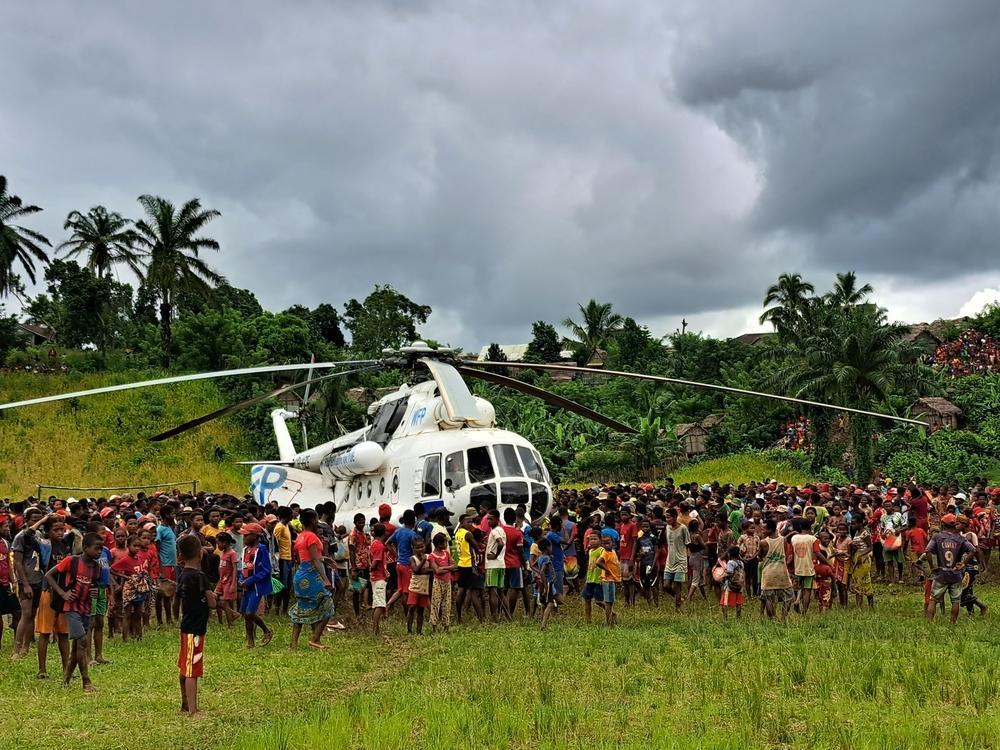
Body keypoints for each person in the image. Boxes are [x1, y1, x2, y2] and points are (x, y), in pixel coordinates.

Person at [44, 532, 102, 692]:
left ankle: (66, 680)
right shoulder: (72, 561)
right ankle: (86, 681)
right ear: (85, 547)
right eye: (96, 548)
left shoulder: (96, 567)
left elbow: (93, 586)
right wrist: (63, 593)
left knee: (78, 646)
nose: (99, 552)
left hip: (86, 608)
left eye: (101, 549)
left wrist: (94, 591)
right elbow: (49, 575)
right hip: (71, 608)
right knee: (83, 641)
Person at [176, 533, 216, 716]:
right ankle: (193, 709)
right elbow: (212, 603)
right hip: (197, 628)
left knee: (185, 665)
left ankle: (185, 703)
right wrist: (213, 596)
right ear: (200, 553)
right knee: (192, 669)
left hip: (186, 625)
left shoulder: (183, 575)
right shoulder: (200, 577)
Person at [289, 509, 334, 650]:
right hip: (312, 575)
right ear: (313, 520)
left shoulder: (301, 537)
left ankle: (293, 644)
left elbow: (306, 557)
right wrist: (325, 579)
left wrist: (323, 558)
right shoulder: (312, 537)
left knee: (302, 608)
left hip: (300, 574)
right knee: (328, 606)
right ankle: (315, 639)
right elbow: (314, 559)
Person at [921, 513, 977, 624]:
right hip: (956, 574)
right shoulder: (960, 539)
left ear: (943, 524)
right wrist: (963, 563)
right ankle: (952, 623)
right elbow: (973, 550)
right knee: (955, 600)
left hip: (941, 573)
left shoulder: (937, 537)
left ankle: (929, 623)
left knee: (933, 599)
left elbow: (927, 551)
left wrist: (932, 566)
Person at [11, 507, 44, 659]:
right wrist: (24, 583)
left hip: (39, 579)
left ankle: (26, 646)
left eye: (39, 519)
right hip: (27, 580)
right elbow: (17, 562)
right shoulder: (21, 537)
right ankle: (16, 650)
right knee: (26, 613)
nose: (37, 522)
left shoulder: (39, 536)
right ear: (26, 520)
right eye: (33, 519)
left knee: (32, 614)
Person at [238, 523, 274, 648]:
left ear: (255, 536)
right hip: (246, 586)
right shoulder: (245, 550)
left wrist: (251, 580)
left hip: (256, 586)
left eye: (247, 535)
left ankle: (266, 630)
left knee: (249, 613)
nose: (244, 538)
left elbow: (266, 570)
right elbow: (243, 568)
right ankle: (250, 641)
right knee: (245, 614)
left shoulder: (262, 549)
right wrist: (241, 579)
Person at [758, 518, 794, 622]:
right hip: (782, 572)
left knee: (769, 598)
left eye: (764, 529)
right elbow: (785, 553)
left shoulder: (763, 542)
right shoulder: (783, 540)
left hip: (768, 573)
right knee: (788, 596)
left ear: (770, 529)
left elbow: (760, 557)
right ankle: (783, 618)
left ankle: (773, 619)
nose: (762, 531)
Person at [428, 532, 456, 632]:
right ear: (440, 544)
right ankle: (434, 626)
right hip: (438, 582)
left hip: (447, 582)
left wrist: (443, 567)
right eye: (445, 543)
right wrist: (449, 568)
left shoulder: (446, 553)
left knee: (447, 604)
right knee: (436, 604)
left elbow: (454, 566)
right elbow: (437, 571)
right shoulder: (432, 556)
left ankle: (446, 626)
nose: (446, 545)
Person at [663, 508, 690, 610]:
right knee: (666, 586)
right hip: (670, 560)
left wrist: (687, 557)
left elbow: (687, 543)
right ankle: (679, 599)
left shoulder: (683, 528)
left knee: (677, 585)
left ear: (675, 517)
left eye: (669, 517)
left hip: (680, 560)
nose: (667, 519)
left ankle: (678, 607)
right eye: (666, 517)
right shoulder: (667, 527)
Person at [484, 510, 507, 622]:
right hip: (501, 565)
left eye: (491, 519)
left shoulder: (494, 531)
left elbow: (501, 543)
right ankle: (508, 617)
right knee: (501, 592)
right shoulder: (502, 530)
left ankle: (494, 618)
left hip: (493, 565)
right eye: (488, 518)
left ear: (497, 519)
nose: (488, 521)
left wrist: (495, 555)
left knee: (492, 592)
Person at [847, 515, 875, 608]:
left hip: (864, 558)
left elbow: (870, 547)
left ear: (860, 523)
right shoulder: (856, 533)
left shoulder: (865, 534)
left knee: (864, 579)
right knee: (857, 580)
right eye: (851, 524)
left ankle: (870, 602)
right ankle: (859, 605)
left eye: (854, 524)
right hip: (857, 557)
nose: (852, 525)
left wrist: (861, 554)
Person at [406, 536, 432, 634]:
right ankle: (409, 630)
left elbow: (432, 570)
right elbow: (416, 570)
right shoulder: (412, 558)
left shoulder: (429, 557)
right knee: (412, 607)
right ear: (413, 548)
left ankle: (419, 631)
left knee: (421, 610)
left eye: (422, 547)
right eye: (417, 547)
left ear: (425, 546)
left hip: (424, 587)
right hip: (414, 587)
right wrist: (424, 562)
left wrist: (424, 570)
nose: (420, 549)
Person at [594, 533, 621, 625]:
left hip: (612, 579)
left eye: (608, 543)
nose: (606, 545)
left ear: (612, 542)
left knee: (611, 602)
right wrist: (607, 570)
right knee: (608, 602)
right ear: (602, 544)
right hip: (607, 580)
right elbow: (598, 562)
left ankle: (610, 617)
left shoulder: (613, 552)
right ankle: (608, 621)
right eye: (604, 544)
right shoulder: (605, 553)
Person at [347, 513, 371, 617]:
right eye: (359, 522)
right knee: (356, 590)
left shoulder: (363, 534)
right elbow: (351, 552)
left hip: (365, 565)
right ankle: (357, 613)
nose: (362, 524)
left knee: (365, 587)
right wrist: (353, 568)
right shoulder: (353, 534)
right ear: (355, 522)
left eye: (363, 522)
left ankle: (363, 607)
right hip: (357, 566)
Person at [272, 507, 294, 616]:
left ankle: (284, 610)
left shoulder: (286, 526)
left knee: (288, 587)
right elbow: (275, 545)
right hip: (282, 559)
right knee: (282, 586)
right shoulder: (279, 527)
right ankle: (277, 609)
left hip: (288, 559)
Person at [214, 532, 239, 626]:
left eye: (218, 543)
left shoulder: (232, 553)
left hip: (228, 581)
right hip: (221, 580)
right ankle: (233, 613)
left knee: (225, 602)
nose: (217, 545)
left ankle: (230, 624)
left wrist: (233, 584)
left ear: (224, 543)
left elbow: (234, 570)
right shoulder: (223, 552)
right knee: (214, 598)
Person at [368, 523, 388, 635]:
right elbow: (376, 562)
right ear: (384, 533)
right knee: (380, 605)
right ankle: (375, 630)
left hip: (375, 577)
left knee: (376, 603)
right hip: (378, 577)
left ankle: (375, 628)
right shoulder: (380, 545)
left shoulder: (373, 543)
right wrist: (373, 568)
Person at [533, 537, 557, 630]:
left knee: (544, 603)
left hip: (542, 583)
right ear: (548, 547)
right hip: (547, 583)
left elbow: (532, 565)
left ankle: (543, 624)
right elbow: (543, 572)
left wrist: (537, 573)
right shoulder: (546, 558)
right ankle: (543, 625)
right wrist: (544, 581)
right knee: (550, 603)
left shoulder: (540, 558)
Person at [580, 532, 604, 623]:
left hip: (598, 579)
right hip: (590, 579)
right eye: (591, 539)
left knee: (599, 601)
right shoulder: (590, 551)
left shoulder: (602, 550)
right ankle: (588, 620)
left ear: (600, 540)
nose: (592, 541)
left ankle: (611, 612)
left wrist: (603, 576)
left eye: (595, 539)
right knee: (587, 599)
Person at [720, 544, 744, 619]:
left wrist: (721, 576)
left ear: (729, 554)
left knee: (724, 602)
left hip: (730, 586)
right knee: (738, 603)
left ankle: (725, 618)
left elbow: (729, 573)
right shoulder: (741, 563)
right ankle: (738, 617)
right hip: (739, 585)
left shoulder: (730, 562)